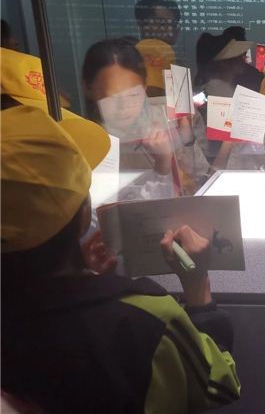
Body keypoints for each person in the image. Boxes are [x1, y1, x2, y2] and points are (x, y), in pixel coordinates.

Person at [0, 105, 240, 413]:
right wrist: (197, 287)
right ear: (84, 214)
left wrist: (85, 278)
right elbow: (219, 385)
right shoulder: (148, 319)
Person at [83, 39, 211, 198]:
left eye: (133, 95)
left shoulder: (166, 121)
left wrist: (186, 137)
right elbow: (115, 206)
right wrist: (162, 165)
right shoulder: (87, 144)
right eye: (112, 96)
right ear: (88, 88)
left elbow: (202, 177)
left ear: (144, 87)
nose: (124, 106)